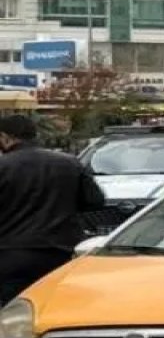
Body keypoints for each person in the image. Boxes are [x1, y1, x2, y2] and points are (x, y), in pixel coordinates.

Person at [0, 115, 106, 304]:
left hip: (10, 253)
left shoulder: (4, 166)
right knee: (56, 306)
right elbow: (95, 201)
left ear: (5, 137)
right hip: (61, 251)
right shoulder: (69, 163)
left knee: (13, 312)